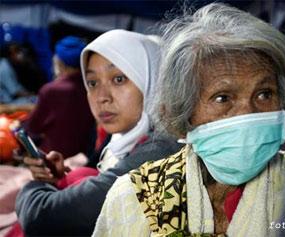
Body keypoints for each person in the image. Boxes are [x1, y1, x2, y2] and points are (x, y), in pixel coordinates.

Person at [93, 3, 285, 236]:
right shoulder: (134, 197)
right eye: (222, 98)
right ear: (180, 115)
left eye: (264, 94)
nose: (247, 114)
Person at [15, 29, 182, 236]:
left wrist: (34, 185)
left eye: (119, 79)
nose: (101, 97)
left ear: (152, 79)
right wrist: (56, 177)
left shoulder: (161, 152)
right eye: (92, 83)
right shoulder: (123, 137)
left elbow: (41, 217)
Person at [23, 36, 96, 158]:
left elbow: (33, 127)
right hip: (83, 156)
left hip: (53, 157)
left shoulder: (51, 90)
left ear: (59, 62)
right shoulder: (91, 86)